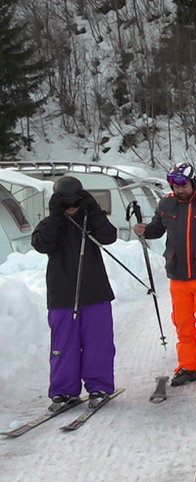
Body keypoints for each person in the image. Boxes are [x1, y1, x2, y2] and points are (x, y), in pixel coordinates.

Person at [132, 162, 196, 387]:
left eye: (183, 185)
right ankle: (189, 366)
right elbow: (157, 229)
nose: (179, 190)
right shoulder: (167, 203)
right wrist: (144, 230)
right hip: (177, 274)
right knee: (183, 325)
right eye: (174, 186)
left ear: (193, 181)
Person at [31, 176, 118, 410]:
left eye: (76, 201)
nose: (71, 207)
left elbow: (109, 236)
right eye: (66, 202)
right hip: (61, 296)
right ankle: (63, 391)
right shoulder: (52, 223)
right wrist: (55, 217)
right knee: (63, 345)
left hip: (95, 293)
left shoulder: (91, 220)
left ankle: (99, 386)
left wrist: (95, 210)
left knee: (98, 343)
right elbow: (40, 244)